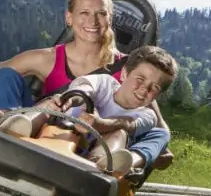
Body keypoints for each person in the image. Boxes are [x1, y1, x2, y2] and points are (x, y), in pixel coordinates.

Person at [0, 0, 173, 170]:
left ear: (110, 19)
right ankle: (5, 128)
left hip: (93, 142)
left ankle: (104, 163)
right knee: (6, 74)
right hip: (41, 132)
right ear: (69, 18)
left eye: (101, 13)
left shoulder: (132, 70)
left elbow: (158, 127)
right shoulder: (46, 58)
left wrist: (153, 152)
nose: (93, 21)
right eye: (84, 13)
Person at [15, 45, 178, 177]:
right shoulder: (105, 82)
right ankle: (19, 126)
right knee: (54, 101)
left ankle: (102, 165)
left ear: (158, 95)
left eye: (154, 87)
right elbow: (86, 87)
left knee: (120, 132)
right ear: (124, 74)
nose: (144, 88)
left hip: (91, 152)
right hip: (60, 132)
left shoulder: (147, 115)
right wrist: (73, 99)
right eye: (140, 79)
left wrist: (99, 123)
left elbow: (127, 124)